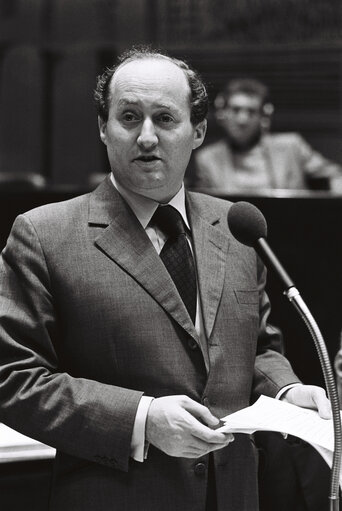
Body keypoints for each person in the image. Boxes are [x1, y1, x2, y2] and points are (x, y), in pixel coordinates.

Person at [0, 47, 332, 511]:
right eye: (129, 117)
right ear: (103, 127)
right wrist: (142, 418)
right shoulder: (44, 234)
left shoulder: (236, 226)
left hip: (235, 494)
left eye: (165, 118)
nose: (147, 137)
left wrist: (285, 390)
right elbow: (14, 378)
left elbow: (255, 349)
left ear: (197, 132)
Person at [190, 78, 342, 192]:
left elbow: (334, 177)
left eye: (251, 111)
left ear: (263, 117)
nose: (242, 119)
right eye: (236, 110)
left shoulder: (291, 146)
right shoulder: (208, 158)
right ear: (223, 114)